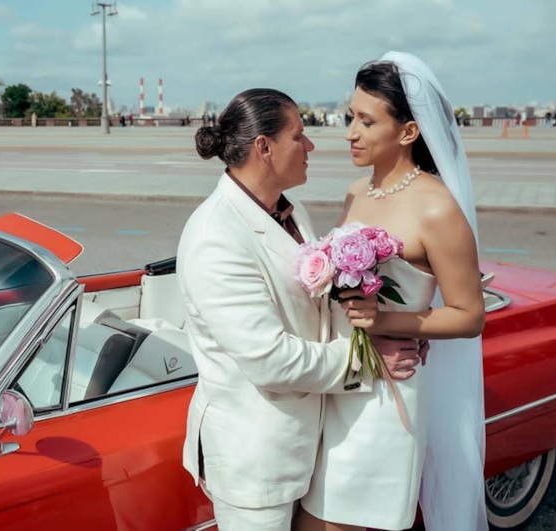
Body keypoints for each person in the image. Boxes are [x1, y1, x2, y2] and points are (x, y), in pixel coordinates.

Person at [176, 88, 425, 531]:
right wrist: (370, 361)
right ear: (264, 148)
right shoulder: (216, 237)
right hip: (257, 461)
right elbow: (270, 359)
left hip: (310, 440)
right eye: (298, 136)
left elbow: (315, 310)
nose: (310, 146)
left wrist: (390, 326)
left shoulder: (292, 212)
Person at [296, 52, 487, 531]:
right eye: (350, 117)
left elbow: (469, 314)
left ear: (408, 132)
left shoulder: (437, 208)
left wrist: (387, 322)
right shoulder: (356, 192)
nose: (350, 133)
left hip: (387, 396)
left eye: (366, 121)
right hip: (340, 381)